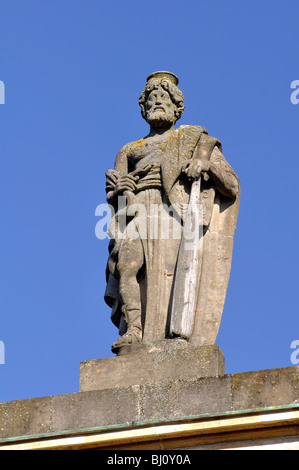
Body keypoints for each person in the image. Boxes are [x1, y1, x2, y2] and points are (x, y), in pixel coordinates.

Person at [104, 72, 240, 354]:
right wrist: (120, 189)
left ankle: (172, 335)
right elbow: (116, 196)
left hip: (173, 212)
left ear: (177, 106)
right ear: (143, 109)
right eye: (151, 100)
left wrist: (204, 165)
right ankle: (134, 330)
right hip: (137, 212)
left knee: (168, 275)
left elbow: (231, 186)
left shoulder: (194, 140)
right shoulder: (129, 150)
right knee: (126, 266)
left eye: (163, 98)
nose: (156, 103)